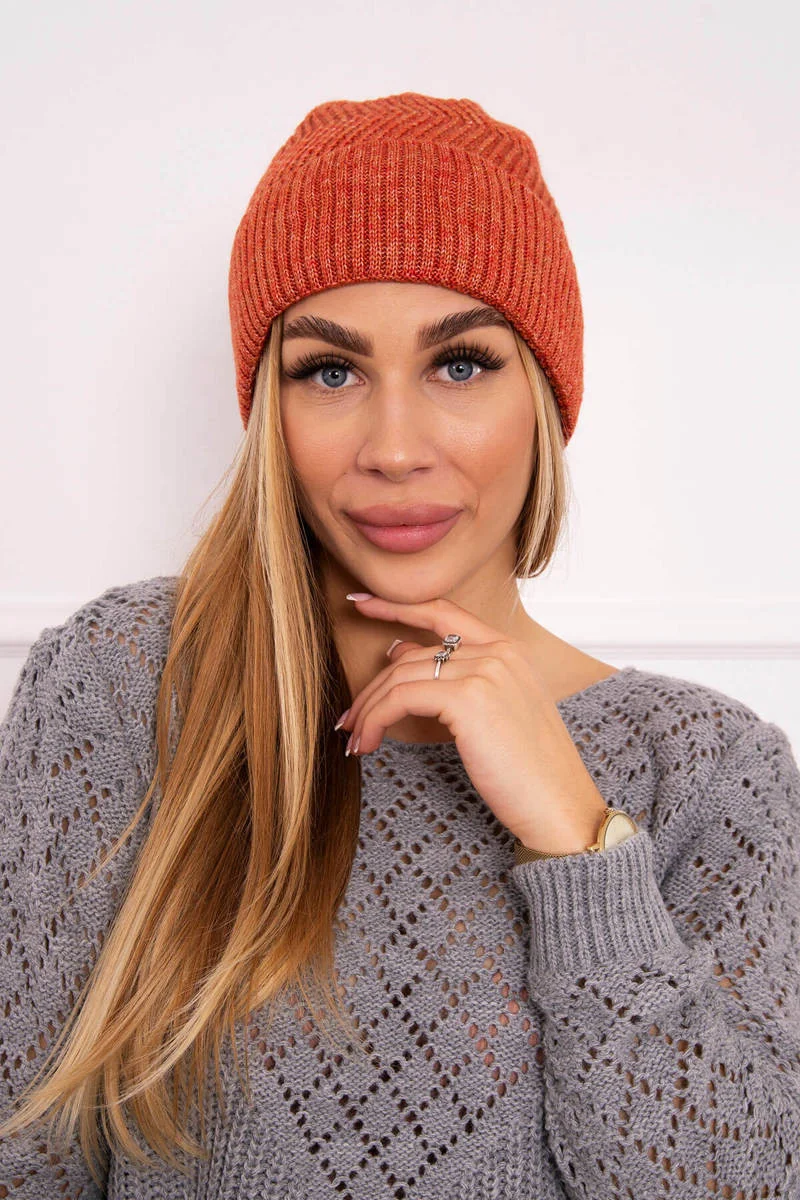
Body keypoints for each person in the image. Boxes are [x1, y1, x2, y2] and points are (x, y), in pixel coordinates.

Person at [1, 91, 798, 1200]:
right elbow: (25, 1153)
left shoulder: (713, 771)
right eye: (329, 372)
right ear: (269, 411)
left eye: (459, 364)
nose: (393, 447)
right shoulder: (127, 680)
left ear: (546, 393)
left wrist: (577, 841)